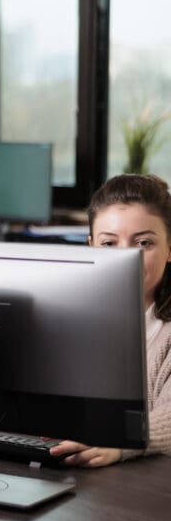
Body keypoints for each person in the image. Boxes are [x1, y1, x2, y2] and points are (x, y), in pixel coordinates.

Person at [49, 173, 171, 467]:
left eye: (143, 242)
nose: (126, 257)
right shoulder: (67, 321)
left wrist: (120, 438)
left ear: (169, 248)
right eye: (109, 244)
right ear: (91, 246)